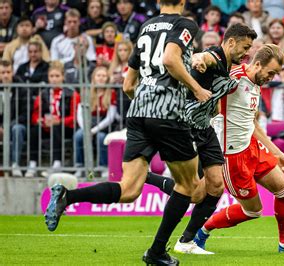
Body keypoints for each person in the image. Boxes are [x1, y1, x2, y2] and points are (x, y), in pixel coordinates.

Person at [44, 1, 211, 266]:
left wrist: (145, 105)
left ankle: (68, 195)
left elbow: (127, 84)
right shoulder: (185, 24)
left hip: (138, 113)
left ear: (158, 2)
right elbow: (169, 59)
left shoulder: (146, 27)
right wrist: (197, 89)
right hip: (168, 114)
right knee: (193, 189)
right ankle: (157, 252)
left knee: (129, 189)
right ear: (182, 1)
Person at [193, 44, 284, 253]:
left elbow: (253, 123)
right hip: (231, 156)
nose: (272, 77)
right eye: (271, 72)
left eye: (276, 73)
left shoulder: (256, 83)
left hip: (252, 148)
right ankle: (200, 232)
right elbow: (208, 63)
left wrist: (276, 153)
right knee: (253, 211)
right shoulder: (233, 77)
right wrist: (198, 58)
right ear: (257, 64)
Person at [146, 23, 257, 255]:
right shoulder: (215, 56)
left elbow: (215, 88)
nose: (246, 53)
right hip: (187, 126)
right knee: (195, 193)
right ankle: (147, 178)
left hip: (204, 127)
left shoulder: (228, 67)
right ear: (230, 42)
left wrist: (214, 107)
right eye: (245, 47)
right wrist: (197, 61)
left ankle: (186, 242)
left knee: (216, 186)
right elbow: (202, 58)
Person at [25, 61, 81, 177]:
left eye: (57, 76)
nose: (54, 79)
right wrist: (39, 120)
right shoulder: (43, 94)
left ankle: (57, 163)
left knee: (56, 127)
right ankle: (33, 164)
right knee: (34, 129)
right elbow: (35, 115)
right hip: (47, 126)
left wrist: (60, 121)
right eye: (51, 76)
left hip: (66, 128)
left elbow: (75, 117)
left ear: (63, 77)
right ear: (48, 78)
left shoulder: (72, 94)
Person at [74, 66, 117, 178]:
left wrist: (93, 131)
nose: (101, 78)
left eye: (104, 76)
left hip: (102, 125)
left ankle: (102, 167)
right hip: (88, 124)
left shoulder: (111, 93)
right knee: (79, 136)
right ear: (94, 77)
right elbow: (79, 113)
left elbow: (110, 118)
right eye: (99, 75)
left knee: (101, 138)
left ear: (107, 78)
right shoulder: (86, 92)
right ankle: (80, 166)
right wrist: (85, 129)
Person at [0, 60, 29, 177]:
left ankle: (15, 164)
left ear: (13, 72)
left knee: (17, 129)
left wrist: (7, 127)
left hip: (17, 124)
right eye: (2, 72)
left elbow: (25, 113)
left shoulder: (21, 89)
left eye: (8, 72)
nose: (6, 75)